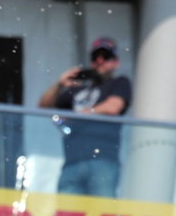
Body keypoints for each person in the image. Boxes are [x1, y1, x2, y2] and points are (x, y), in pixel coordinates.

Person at [38, 35, 132, 197]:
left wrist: (83, 114)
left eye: (106, 56)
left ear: (115, 62)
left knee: (102, 215)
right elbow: (43, 106)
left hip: (103, 160)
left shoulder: (120, 82)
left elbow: (114, 106)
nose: (100, 61)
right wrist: (60, 84)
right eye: (95, 57)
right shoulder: (77, 89)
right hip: (72, 162)